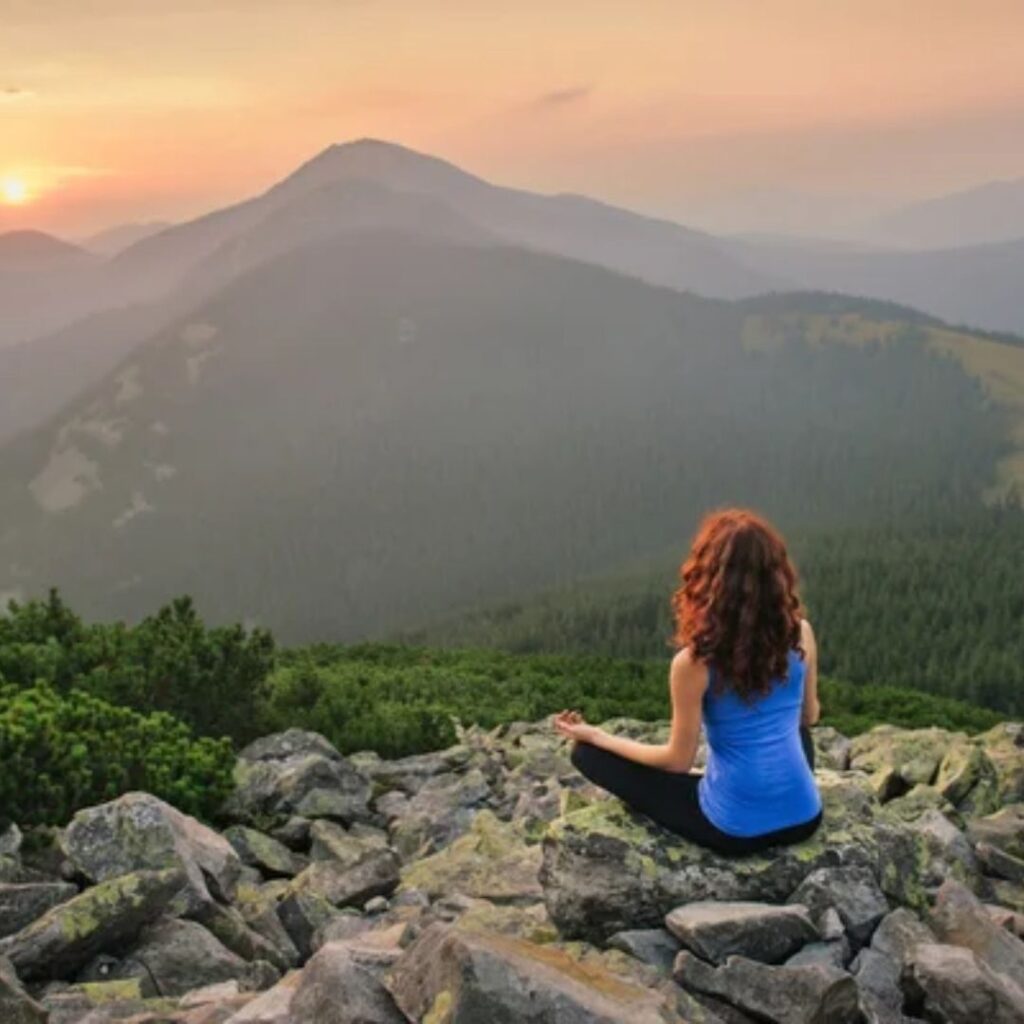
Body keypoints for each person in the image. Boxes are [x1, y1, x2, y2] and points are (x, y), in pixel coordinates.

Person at [554, 508, 823, 855]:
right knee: (791, 731)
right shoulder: (801, 633)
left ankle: (734, 789)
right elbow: (809, 717)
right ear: (776, 575)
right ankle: (772, 791)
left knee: (587, 755)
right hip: (803, 818)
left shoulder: (694, 663)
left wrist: (597, 735)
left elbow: (676, 762)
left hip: (735, 831)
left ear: (708, 579)